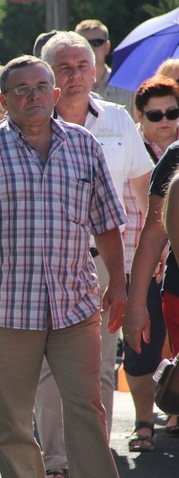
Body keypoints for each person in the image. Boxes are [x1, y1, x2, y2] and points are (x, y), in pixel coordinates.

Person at [0, 55, 125, 478]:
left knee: (87, 413)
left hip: (75, 303)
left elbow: (107, 223)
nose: (32, 96)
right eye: (20, 90)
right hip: (6, 310)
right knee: (12, 423)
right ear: (3, 101)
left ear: (55, 94)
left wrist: (119, 283)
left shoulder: (83, 145)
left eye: (40, 87)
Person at [36, 31, 153, 478]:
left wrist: (150, 256)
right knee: (48, 365)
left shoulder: (120, 121)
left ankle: (93, 453)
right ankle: (56, 459)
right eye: (64, 66)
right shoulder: (31, 122)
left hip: (105, 262)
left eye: (82, 65)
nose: (75, 74)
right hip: (44, 260)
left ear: (96, 69)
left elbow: (148, 198)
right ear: (48, 73)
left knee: (101, 364)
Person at [120, 75, 179, 452]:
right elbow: (154, 234)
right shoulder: (175, 156)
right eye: (156, 114)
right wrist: (136, 303)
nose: (166, 119)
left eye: (173, 112)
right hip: (174, 290)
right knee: (144, 359)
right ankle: (146, 421)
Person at [75, 19, 136, 116]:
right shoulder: (70, 86)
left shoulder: (127, 86)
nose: (91, 48)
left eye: (97, 42)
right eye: (85, 43)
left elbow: (137, 126)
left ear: (107, 47)